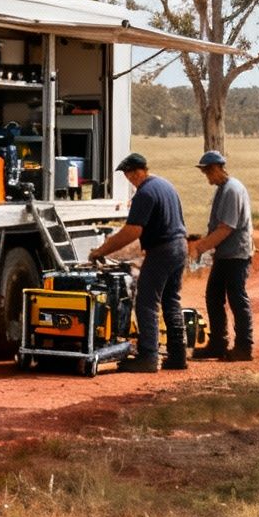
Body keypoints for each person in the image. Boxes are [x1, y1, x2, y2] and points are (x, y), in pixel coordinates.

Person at [87, 152, 190, 372]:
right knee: (171, 299)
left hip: (162, 249)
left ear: (138, 171)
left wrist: (102, 250)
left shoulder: (145, 193)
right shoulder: (165, 185)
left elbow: (133, 231)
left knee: (146, 301)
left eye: (129, 174)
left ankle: (149, 356)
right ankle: (178, 355)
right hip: (180, 246)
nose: (129, 179)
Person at [187, 150, 253, 362]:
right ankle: (218, 343)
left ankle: (244, 346)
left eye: (207, 172)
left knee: (237, 299)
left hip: (236, 255)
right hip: (226, 255)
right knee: (213, 296)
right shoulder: (224, 188)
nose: (207, 176)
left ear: (216, 169)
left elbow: (226, 228)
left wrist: (201, 247)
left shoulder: (231, 190)